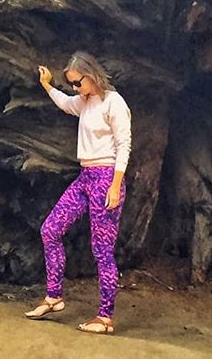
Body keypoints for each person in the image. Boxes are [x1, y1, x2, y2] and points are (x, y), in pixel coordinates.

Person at [24, 51, 132, 335]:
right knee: (50, 230)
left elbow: (124, 145)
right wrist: (47, 84)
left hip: (106, 178)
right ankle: (54, 296)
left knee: (102, 250)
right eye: (71, 83)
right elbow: (64, 102)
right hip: (85, 177)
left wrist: (115, 186)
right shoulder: (84, 102)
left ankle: (105, 317)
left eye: (77, 82)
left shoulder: (114, 103)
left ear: (91, 75)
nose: (74, 88)